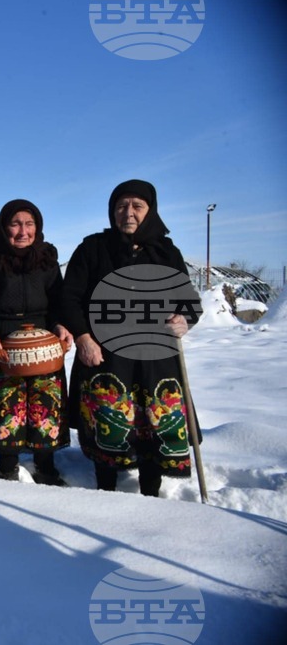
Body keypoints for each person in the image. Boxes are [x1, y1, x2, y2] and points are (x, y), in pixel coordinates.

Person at [60, 179, 200, 497]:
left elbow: (189, 301)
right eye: (121, 206)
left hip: (156, 358)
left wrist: (185, 318)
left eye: (137, 206)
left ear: (151, 210)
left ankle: (151, 493)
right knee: (108, 424)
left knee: (153, 424)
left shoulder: (167, 252)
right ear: (112, 211)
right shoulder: (93, 249)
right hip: (107, 356)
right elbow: (69, 298)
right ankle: (106, 493)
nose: (128, 212)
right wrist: (83, 337)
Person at [0, 200, 73, 484]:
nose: (23, 231)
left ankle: (45, 466)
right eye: (15, 224)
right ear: (4, 227)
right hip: (1, 342)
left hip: (42, 342)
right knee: (8, 404)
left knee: (45, 403)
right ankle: (8, 466)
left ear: (37, 227)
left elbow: (59, 301)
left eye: (29, 224)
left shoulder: (47, 259)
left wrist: (60, 325)